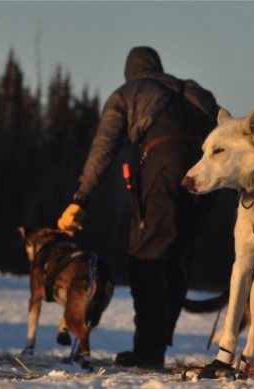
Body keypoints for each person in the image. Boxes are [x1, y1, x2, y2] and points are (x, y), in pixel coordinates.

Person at [58, 46, 219, 368]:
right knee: (178, 257)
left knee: (148, 256)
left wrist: (81, 199)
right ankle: (155, 345)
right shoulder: (198, 93)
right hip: (206, 176)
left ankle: (148, 350)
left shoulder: (129, 92)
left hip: (164, 170)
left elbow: (103, 150)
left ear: (131, 72)